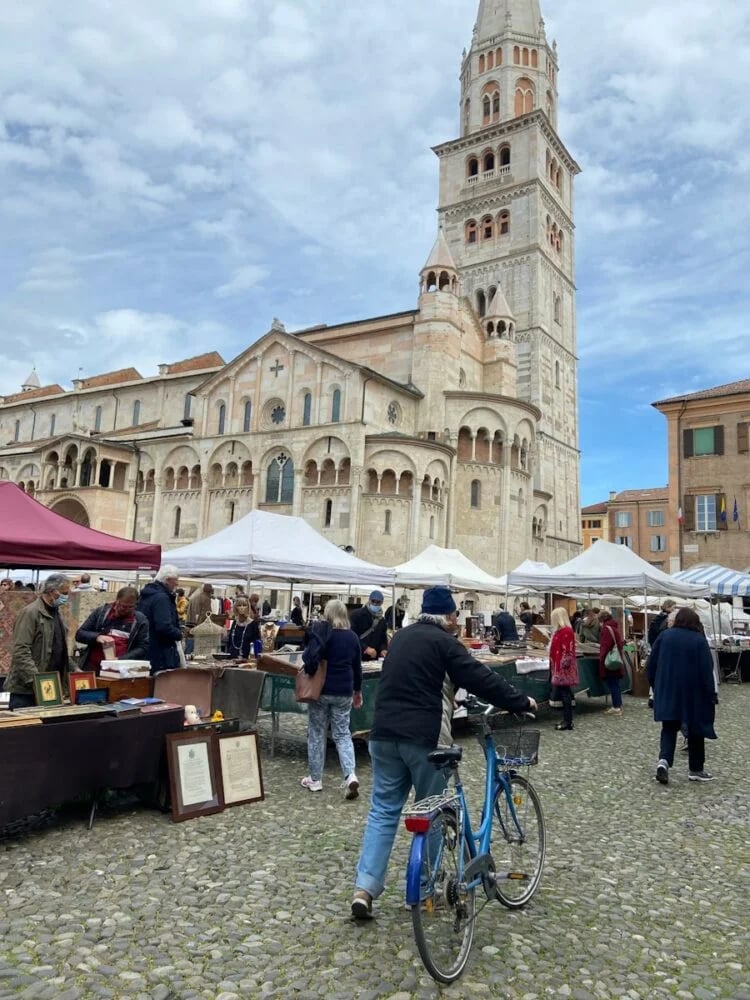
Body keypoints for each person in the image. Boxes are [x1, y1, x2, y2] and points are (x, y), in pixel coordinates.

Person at [351, 586, 537, 920]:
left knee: (383, 810)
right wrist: (521, 701)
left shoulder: (401, 638)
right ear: (450, 617)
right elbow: (481, 678)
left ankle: (364, 888)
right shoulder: (445, 643)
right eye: (455, 616)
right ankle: (425, 886)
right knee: (431, 811)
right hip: (423, 737)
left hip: (382, 733)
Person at [299, 599, 362, 798]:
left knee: (317, 732)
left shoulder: (323, 634)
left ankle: (315, 779)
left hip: (321, 690)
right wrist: (357, 691)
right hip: (344, 690)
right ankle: (350, 775)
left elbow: (308, 659)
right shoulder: (352, 637)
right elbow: (357, 668)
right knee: (343, 734)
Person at [649, 607, 717, 783]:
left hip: (669, 690)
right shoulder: (699, 641)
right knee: (696, 730)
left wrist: (655, 686)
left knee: (669, 727)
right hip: (693, 693)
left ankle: (663, 761)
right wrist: (711, 693)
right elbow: (706, 669)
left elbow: (651, 664)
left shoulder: (665, 636)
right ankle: (696, 768)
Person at [4, 573, 72, 710]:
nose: (67, 596)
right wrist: (35, 680)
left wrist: (74, 669)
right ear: (53, 592)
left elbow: (59, 648)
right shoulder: (31, 613)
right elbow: (21, 650)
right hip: (26, 691)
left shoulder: (56, 613)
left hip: (49, 686)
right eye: (65, 593)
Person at [75, 587, 149, 673]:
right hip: (93, 667)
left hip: (120, 671)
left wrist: (120, 659)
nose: (126, 610)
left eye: (130, 607)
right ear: (117, 600)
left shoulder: (140, 621)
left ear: (136, 604)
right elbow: (80, 634)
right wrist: (97, 637)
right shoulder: (101, 613)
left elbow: (143, 647)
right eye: (123, 606)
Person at [136, 565, 183, 674]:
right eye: (175, 580)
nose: (177, 583)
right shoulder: (162, 598)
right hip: (161, 651)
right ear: (167, 580)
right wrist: (178, 634)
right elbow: (163, 626)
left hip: (147, 647)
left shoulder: (147, 594)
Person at [549, 607, 578, 731]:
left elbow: (567, 651)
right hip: (559, 666)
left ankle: (568, 721)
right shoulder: (560, 631)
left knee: (565, 695)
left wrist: (562, 666)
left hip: (563, 668)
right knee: (564, 694)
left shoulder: (565, 631)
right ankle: (567, 720)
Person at [598, 608, 625, 716]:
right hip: (616, 658)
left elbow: (605, 645)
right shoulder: (614, 627)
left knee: (613, 683)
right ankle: (618, 704)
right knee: (616, 684)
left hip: (610, 660)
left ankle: (616, 707)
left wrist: (601, 658)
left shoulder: (606, 628)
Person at [350, 590, 389, 662]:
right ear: (369, 600)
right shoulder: (356, 615)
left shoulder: (382, 621)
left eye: (378, 602)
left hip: (373, 659)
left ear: (382, 603)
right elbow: (351, 635)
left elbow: (383, 639)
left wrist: (383, 649)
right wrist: (365, 648)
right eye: (373, 601)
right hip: (357, 656)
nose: (375, 604)